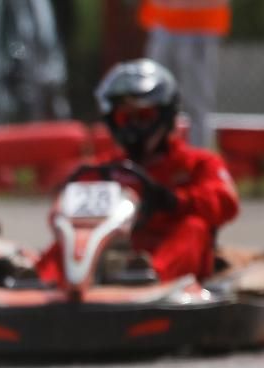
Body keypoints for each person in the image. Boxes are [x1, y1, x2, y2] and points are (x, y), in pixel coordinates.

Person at [35, 59, 239, 284]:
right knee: (72, 239)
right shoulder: (103, 169)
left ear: (165, 116)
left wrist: (174, 201)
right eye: (125, 118)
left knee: (194, 227)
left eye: (143, 117)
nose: (133, 127)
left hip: (171, 254)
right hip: (113, 250)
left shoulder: (197, 163)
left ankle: (149, 276)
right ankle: (40, 279)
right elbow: (64, 210)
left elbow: (226, 201)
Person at [137, 0, 230, 149]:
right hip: (161, 24)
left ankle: (198, 162)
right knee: (153, 99)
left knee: (197, 105)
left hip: (198, 26)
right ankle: (155, 158)